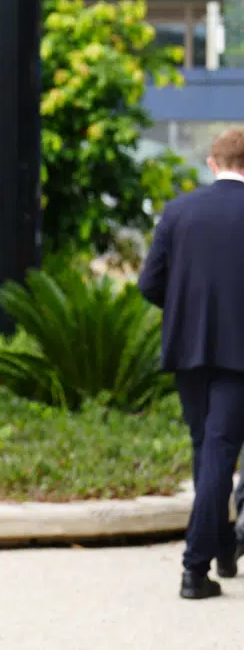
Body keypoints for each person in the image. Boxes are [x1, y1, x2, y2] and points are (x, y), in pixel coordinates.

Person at [139, 127, 244, 600]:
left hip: (187, 351)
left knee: (208, 449)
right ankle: (193, 568)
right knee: (219, 451)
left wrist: (185, 313)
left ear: (212, 162)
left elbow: (149, 284)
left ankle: (223, 552)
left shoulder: (178, 212)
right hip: (238, 355)